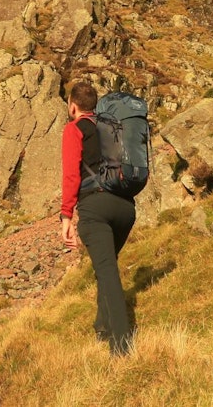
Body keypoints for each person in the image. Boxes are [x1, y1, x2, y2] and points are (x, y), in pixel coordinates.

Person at [60, 80, 136, 356]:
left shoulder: (74, 129)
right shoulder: (112, 128)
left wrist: (66, 216)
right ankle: (102, 327)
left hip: (95, 209)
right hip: (126, 208)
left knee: (108, 274)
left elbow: (70, 175)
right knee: (106, 269)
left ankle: (122, 347)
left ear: (72, 106)